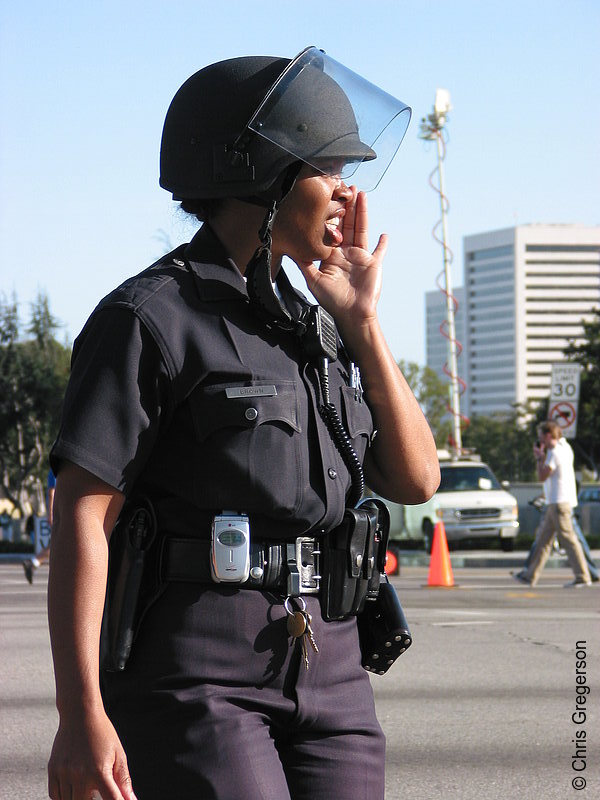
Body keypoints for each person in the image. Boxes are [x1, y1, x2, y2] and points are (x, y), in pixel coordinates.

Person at [46, 47, 440, 800]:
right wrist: (79, 712)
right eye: (328, 170)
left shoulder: (315, 323)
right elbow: (83, 520)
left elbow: (415, 479)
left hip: (333, 671)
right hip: (196, 675)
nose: (345, 193)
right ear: (262, 176)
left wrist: (362, 322)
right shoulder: (151, 318)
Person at [513, 421, 591, 588]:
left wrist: (539, 458)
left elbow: (542, 476)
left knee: (569, 540)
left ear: (549, 435)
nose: (540, 439)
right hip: (556, 502)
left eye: (541, 435)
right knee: (543, 540)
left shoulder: (554, 453)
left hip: (558, 502)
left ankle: (582, 576)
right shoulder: (566, 448)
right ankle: (530, 575)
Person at [22, 468, 55, 584]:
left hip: (58, 512)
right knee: (59, 544)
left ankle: (33, 563)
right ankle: (33, 562)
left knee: (57, 544)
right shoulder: (57, 469)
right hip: (59, 513)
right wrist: (51, 513)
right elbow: (52, 492)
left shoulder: (55, 469)